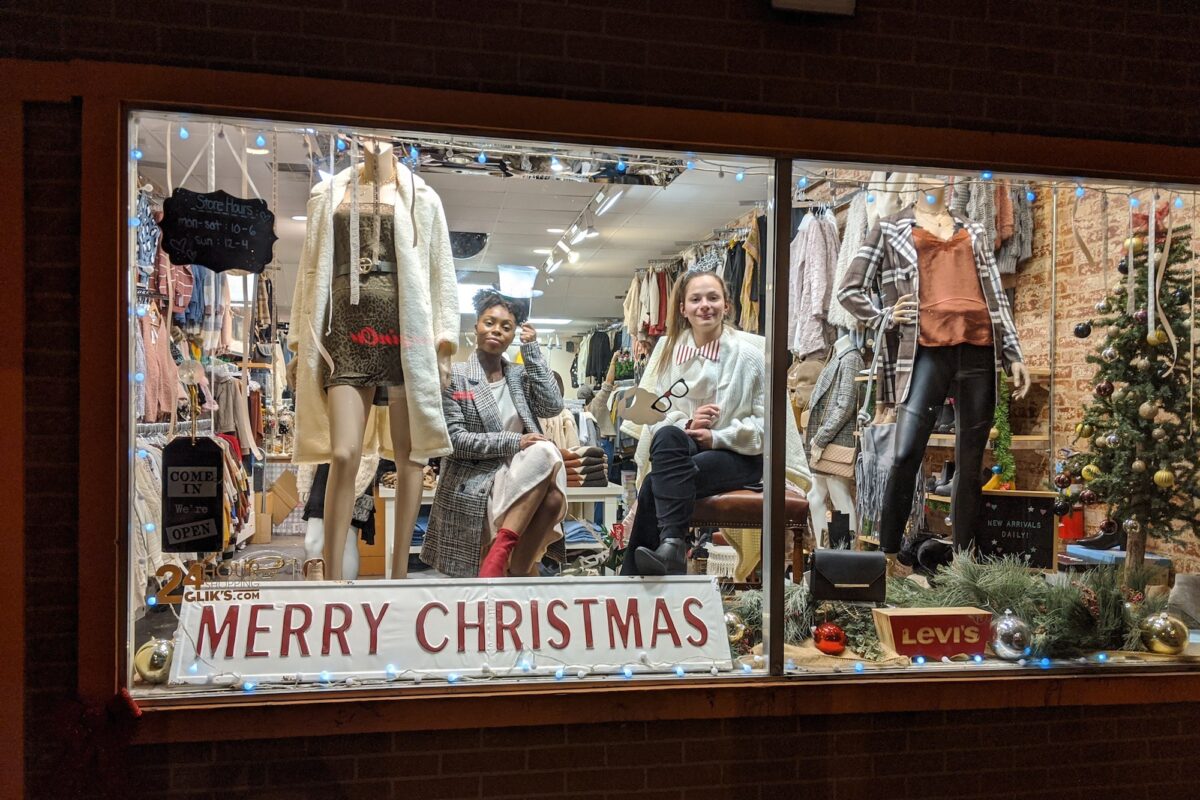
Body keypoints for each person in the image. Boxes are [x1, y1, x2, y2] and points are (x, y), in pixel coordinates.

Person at [622, 269, 810, 576]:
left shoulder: (750, 357)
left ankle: (651, 564)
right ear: (682, 308)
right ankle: (670, 549)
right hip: (686, 451)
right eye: (695, 299)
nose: (704, 305)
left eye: (713, 298)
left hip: (740, 456)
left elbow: (767, 430)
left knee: (655, 485)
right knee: (668, 434)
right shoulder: (669, 354)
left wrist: (717, 437)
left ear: (726, 305)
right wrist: (688, 422)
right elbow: (655, 416)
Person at [422, 289, 567, 578]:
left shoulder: (518, 377)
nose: (496, 331)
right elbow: (455, 441)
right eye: (489, 322)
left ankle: (506, 561)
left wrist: (532, 351)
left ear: (514, 334)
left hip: (521, 475)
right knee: (544, 454)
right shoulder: (455, 376)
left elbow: (553, 406)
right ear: (476, 325)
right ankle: (511, 568)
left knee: (549, 478)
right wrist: (516, 440)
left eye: (506, 327)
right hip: (475, 481)